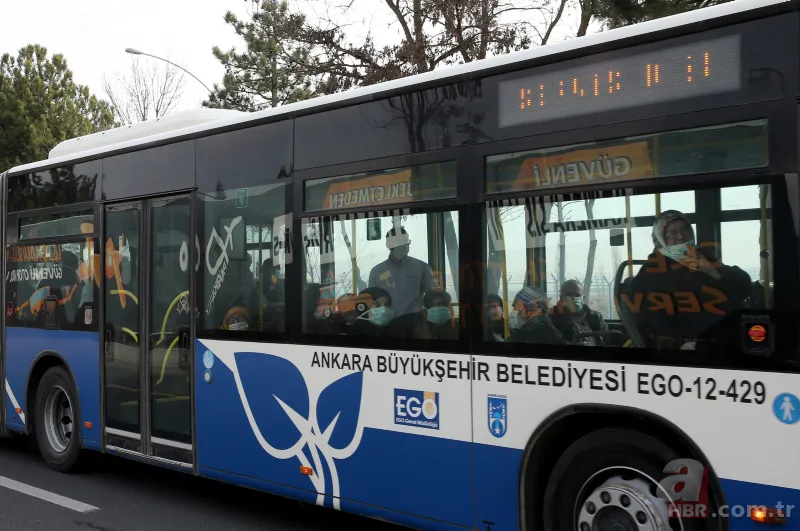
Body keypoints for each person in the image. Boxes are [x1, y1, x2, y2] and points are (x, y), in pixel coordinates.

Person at [627, 209, 752, 350]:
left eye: (685, 229)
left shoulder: (703, 255)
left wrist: (712, 271)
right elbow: (649, 316)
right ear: (661, 239)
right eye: (673, 233)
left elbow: (745, 286)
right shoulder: (653, 269)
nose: (681, 236)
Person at [368, 227, 436, 334]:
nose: (402, 247)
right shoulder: (376, 271)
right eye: (397, 244)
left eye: (405, 243)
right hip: (387, 324)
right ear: (389, 246)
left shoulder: (422, 267)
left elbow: (434, 295)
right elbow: (370, 301)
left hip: (415, 323)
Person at [551, 280, 609, 346]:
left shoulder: (596, 317)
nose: (573, 298)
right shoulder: (553, 320)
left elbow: (607, 340)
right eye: (568, 295)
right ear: (561, 298)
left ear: (583, 298)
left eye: (577, 295)